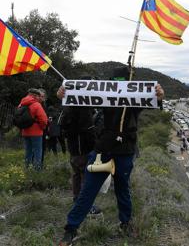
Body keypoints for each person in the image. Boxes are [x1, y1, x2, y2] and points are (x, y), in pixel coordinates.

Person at [58, 66, 164, 245]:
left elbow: (154, 102)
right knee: (88, 190)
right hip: (103, 150)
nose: (119, 85)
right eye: (116, 82)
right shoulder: (104, 98)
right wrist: (66, 94)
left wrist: (158, 96)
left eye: (123, 82)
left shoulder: (135, 100)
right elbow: (82, 101)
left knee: (123, 189)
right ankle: (71, 228)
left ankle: (125, 222)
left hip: (125, 150)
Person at [58, 75, 101, 214]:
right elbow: (84, 127)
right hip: (82, 146)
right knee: (85, 175)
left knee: (77, 173)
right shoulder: (80, 105)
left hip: (74, 147)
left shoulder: (70, 103)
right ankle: (85, 206)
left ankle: (77, 200)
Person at [18, 88, 48, 170]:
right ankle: (37, 170)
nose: (39, 97)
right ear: (35, 96)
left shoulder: (21, 104)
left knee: (28, 150)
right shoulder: (36, 104)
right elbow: (44, 119)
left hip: (25, 131)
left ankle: (27, 168)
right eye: (38, 96)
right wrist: (43, 127)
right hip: (36, 132)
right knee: (38, 151)